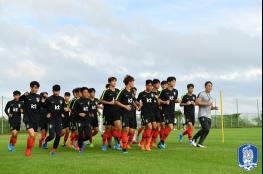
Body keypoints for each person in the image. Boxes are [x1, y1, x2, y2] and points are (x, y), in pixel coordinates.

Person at [115, 75, 138, 154]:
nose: (133, 83)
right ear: (129, 82)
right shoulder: (122, 91)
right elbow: (116, 101)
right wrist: (125, 106)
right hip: (124, 113)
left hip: (131, 113)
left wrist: (138, 105)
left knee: (131, 131)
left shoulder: (131, 91)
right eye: (133, 82)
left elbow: (133, 101)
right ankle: (124, 149)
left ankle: (120, 139)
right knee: (126, 130)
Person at [42, 85, 67, 156]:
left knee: (58, 135)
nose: (57, 92)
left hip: (59, 120)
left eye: (58, 91)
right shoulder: (49, 99)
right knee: (52, 135)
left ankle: (53, 150)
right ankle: (45, 140)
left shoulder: (62, 99)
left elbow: (63, 108)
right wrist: (47, 113)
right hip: (51, 120)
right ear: (52, 91)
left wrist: (64, 111)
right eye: (55, 91)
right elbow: (44, 107)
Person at [19, 81, 42, 157]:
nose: (36, 89)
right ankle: (28, 149)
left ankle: (30, 147)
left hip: (36, 119)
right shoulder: (26, 95)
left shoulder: (39, 97)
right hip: (27, 118)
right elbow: (19, 99)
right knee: (32, 134)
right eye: (35, 87)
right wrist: (23, 95)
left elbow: (43, 106)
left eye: (37, 88)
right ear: (31, 87)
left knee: (33, 136)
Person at [192, 81, 218, 148]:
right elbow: (197, 102)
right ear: (205, 86)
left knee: (206, 130)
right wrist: (207, 103)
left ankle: (200, 143)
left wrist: (214, 108)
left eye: (211, 86)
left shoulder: (211, 97)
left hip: (209, 116)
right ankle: (194, 138)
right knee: (206, 129)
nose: (210, 87)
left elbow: (210, 107)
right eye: (209, 85)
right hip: (202, 115)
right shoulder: (201, 94)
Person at [158, 77, 180, 149]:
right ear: (169, 82)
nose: (174, 83)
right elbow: (158, 100)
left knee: (169, 127)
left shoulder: (175, 91)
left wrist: (177, 100)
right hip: (165, 111)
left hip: (172, 111)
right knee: (170, 127)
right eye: (173, 81)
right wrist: (164, 102)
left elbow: (174, 100)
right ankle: (162, 142)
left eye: (175, 81)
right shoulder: (164, 91)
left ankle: (161, 142)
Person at [100, 77, 121, 151]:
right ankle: (103, 145)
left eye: (115, 81)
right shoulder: (106, 91)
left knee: (118, 127)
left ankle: (117, 144)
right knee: (108, 129)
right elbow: (101, 100)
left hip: (116, 112)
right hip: (108, 112)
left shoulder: (118, 91)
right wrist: (109, 103)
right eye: (113, 81)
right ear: (109, 82)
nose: (114, 83)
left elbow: (120, 101)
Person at [137, 80, 156, 151]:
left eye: (151, 86)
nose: (151, 87)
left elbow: (155, 102)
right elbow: (136, 101)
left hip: (152, 113)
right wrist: (139, 106)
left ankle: (142, 143)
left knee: (154, 127)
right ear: (146, 85)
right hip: (145, 113)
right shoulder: (141, 94)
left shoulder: (153, 94)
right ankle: (147, 145)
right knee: (149, 127)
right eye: (149, 85)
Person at [74, 87, 92, 153]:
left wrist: (91, 113)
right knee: (80, 135)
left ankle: (77, 141)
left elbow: (90, 110)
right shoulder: (77, 101)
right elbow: (73, 111)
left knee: (88, 134)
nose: (86, 93)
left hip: (87, 121)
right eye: (85, 92)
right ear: (81, 93)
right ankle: (80, 148)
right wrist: (79, 113)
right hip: (80, 121)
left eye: (87, 92)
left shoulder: (89, 101)